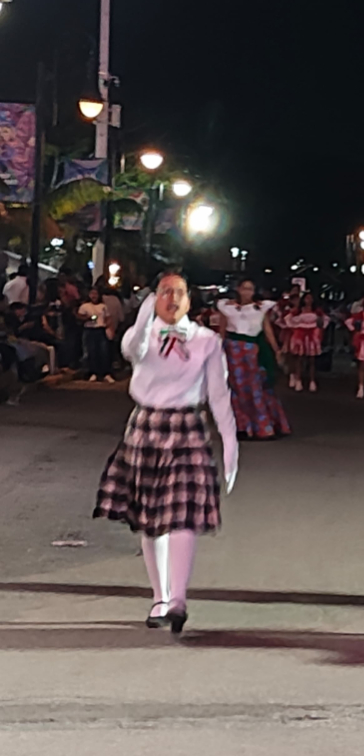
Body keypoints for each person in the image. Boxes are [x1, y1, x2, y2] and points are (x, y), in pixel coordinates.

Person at [92, 271, 238, 634]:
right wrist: (144, 319)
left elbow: (219, 393)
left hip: (187, 425)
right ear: (153, 298)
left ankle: (178, 600)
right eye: (164, 292)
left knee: (182, 512)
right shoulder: (142, 337)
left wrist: (231, 440)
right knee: (151, 515)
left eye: (180, 293)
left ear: (190, 299)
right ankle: (160, 596)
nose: (172, 299)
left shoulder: (205, 341)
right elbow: (131, 349)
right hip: (146, 425)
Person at [216, 277, 291, 439]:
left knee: (255, 387)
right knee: (236, 387)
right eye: (244, 288)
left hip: (251, 350)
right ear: (238, 289)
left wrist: (276, 350)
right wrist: (218, 350)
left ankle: (263, 426)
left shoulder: (259, 308)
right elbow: (222, 330)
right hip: (233, 349)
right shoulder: (227, 307)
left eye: (250, 289)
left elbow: (267, 330)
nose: (247, 292)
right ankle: (241, 426)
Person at [77, 285, 116, 383]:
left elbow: (108, 317)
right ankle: (93, 373)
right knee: (92, 352)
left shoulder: (103, 306)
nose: (94, 296)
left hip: (100, 329)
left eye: (96, 294)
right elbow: (79, 317)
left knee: (104, 352)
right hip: (89, 330)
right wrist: (87, 318)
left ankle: (106, 373)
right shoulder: (85, 306)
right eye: (92, 294)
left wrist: (107, 325)